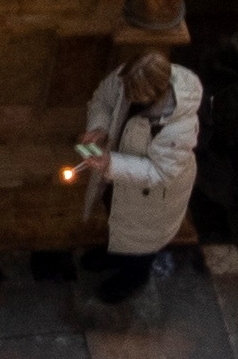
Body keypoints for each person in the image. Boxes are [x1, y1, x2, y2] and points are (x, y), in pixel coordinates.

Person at [77, 47, 199, 298]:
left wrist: (111, 164)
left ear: (155, 94)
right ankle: (115, 252)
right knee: (118, 216)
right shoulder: (129, 77)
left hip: (153, 199)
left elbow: (161, 173)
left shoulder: (179, 126)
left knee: (141, 240)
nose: (128, 98)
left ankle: (132, 278)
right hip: (120, 179)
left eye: (135, 96)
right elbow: (103, 99)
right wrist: (98, 127)